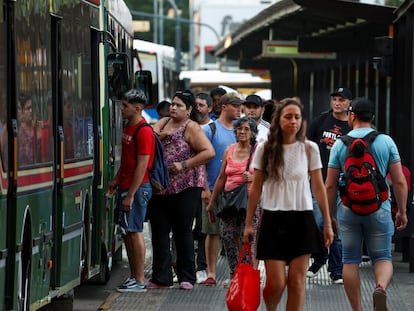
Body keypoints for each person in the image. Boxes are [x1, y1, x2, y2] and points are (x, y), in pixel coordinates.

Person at [244, 98, 334, 311]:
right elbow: (256, 188)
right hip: (273, 219)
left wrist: (328, 222)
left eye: (297, 117)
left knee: (296, 281)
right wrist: (249, 223)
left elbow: (319, 187)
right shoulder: (264, 149)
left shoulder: (310, 149)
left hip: (302, 219)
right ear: (278, 120)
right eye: (288, 116)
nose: (293, 121)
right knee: (276, 283)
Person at [325, 97, 408, 311]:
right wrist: (403, 211)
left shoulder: (339, 144)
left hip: (348, 209)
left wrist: (329, 217)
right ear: (372, 117)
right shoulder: (386, 141)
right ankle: (380, 287)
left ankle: (357, 309)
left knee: (350, 260)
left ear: (351, 116)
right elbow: (399, 181)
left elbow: (330, 186)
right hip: (379, 208)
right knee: (382, 256)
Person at [147, 90, 215, 290]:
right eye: (173, 104)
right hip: (162, 186)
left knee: (182, 231)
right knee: (159, 231)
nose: (174, 108)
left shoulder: (191, 127)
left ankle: (187, 276)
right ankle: (161, 277)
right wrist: (163, 133)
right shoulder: (164, 122)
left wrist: (183, 165)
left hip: (186, 186)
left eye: (179, 105)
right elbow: (152, 134)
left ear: (189, 110)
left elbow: (209, 152)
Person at [107, 89, 155, 292]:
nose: (121, 108)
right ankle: (134, 277)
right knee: (127, 232)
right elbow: (128, 161)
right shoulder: (129, 127)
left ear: (137, 108)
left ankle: (140, 280)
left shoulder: (143, 131)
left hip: (136, 188)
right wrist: (117, 180)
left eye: (125, 105)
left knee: (134, 232)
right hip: (126, 186)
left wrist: (131, 194)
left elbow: (142, 166)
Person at [306, 86, 353, 284]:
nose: (337, 103)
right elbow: (306, 144)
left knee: (338, 227)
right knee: (319, 222)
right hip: (319, 183)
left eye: (342, 100)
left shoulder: (352, 127)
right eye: (335, 99)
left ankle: (336, 270)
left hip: (342, 185)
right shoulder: (320, 121)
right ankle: (320, 256)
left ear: (349, 103)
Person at [207, 116, 257, 280]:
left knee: (247, 237)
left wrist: (253, 178)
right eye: (239, 128)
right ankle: (234, 273)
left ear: (252, 132)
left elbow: (270, 175)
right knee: (227, 236)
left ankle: (247, 273)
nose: (242, 132)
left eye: (246, 129)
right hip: (229, 201)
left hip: (249, 201)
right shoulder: (230, 149)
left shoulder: (257, 150)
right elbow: (221, 177)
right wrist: (212, 201)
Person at [202, 92, 242, 286]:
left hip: (236, 190)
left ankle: (239, 271)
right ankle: (211, 272)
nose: (239, 110)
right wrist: (204, 188)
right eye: (235, 106)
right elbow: (201, 160)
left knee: (236, 232)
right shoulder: (210, 129)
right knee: (212, 231)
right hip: (212, 187)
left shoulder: (241, 130)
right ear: (224, 107)